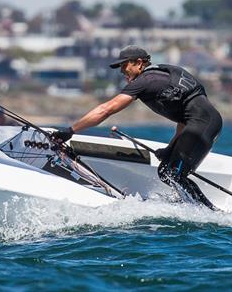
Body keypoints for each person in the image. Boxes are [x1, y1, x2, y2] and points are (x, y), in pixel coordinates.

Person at [50, 45, 222, 209]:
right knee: (166, 172)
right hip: (205, 122)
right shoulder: (163, 74)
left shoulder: (145, 81)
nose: (122, 71)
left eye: (125, 65)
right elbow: (184, 118)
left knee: (173, 174)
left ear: (139, 63)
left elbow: (106, 110)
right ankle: (190, 206)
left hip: (202, 124)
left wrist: (71, 130)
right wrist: (171, 147)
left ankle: (208, 213)